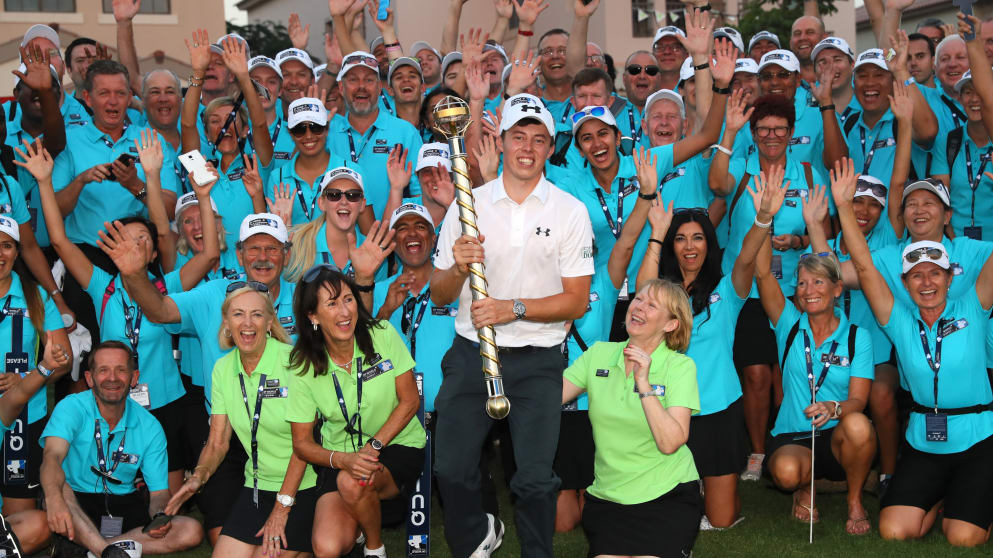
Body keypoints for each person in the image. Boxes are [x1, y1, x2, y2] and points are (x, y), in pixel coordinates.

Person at [431, 93, 594, 558]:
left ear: (550, 148)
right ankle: (474, 537)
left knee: (535, 478)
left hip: (538, 358)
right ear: (499, 141)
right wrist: (460, 267)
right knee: (451, 467)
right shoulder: (469, 205)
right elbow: (440, 295)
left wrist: (512, 308)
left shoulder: (569, 211)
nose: (527, 147)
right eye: (518, 136)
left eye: (538, 139)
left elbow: (577, 301)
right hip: (470, 354)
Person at [27, 129, 220, 495]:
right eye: (124, 240)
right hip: (113, 396)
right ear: (112, 248)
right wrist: (44, 182)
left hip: (166, 402)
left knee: (163, 498)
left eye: (142, 242)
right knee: (112, 485)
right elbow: (58, 240)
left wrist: (202, 197)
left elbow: (209, 254)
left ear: (152, 254)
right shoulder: (103, 285)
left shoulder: (170, 285)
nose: (134, 247)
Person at [103, 213, 297, 543]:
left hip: (286, 433)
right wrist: (134, 275)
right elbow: (160, 311)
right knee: (223, 534)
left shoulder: (305, 296)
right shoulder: (212, 295)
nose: (262, 257)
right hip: (224, 433)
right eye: (253, 248)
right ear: (238, 254)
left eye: (272, 248)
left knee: (288, 531)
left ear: (287, 254)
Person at [834, 158, 993, 547]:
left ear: (950, 276)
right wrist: (842, 207)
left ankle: (968, 500)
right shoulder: (899, 320)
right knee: (893, 530)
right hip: (925, 441)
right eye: (916, 275)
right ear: (904, 283)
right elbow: (866, 271)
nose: (926, 282)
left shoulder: (972, 306)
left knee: (964, 538)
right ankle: (941, 498)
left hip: (977, 439)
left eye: (935, 273)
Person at [628, 155, 768, 531]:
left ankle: (715, 491)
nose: (690, 247)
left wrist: (763, 218)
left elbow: (747, 258)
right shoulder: (663, 292)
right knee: (668, 509)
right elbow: (642, 290)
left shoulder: (728, 289)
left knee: (721, 520)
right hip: (670, 407)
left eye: (698, 238)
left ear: (709, 242)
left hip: (719, 409)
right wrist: (657, 232)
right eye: (681, 239)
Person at [709, 93, 828, 480]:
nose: (771, 136)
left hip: (797, 291)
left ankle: (792, 444)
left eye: (779, 129)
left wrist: (798, 242)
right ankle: (758, 452)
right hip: (747, 292)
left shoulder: (809, 174)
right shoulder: (743, 169)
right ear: (754, 134)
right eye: (763, 130)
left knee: (788, 375)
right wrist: (730, 128)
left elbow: (824, 233)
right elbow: (716, 183)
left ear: (792, 133)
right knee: (757, 375)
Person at [754, 163, 876, 535]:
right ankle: (804, 489)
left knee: (858, 424)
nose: (809, 290)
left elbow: (858, 400)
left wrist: (834, 408)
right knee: (787, 473)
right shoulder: (789, 323)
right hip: (794, 434)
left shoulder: (858, 336)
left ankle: (854, 499)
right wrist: (763, 218)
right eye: (803, 283)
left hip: (837, 432)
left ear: (837, 290)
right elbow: (761, 274)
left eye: (818, 282)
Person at [164, 286, 317, 558]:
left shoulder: (294, 362)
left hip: (301, 486)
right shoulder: (222, 369)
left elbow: (303, 444)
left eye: (256, 315)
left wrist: (282, 509)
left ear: (269, 322)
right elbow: (218, 441)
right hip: (257, 486)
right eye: (238, 314)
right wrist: (198, 477)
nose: (247, 323)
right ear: (226, 322)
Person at [286, 265, 426, 558]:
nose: (345, 312)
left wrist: (372, 448)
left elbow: (410, 401)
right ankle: (361, 521)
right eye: (332, 303)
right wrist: (344, 459)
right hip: (340, 458)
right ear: (313, 315)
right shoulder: (303, 365)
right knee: (326, 548)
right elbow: (302, 444)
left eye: (348, 299)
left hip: (396, 443)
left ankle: (375, 549)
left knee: (353, 481)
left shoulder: (383, 334)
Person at [561, 278, 701, 557]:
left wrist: (644, 384)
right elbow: (545, 400)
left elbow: (670, 442)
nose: (639, 307)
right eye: (639, 299)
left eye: (652, 305)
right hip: (608, 499)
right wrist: (549, 346)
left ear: (671, 324)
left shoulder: (680, 366)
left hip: (667, 496)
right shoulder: (599, 354)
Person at [51, 59, 181, 340]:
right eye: (104, 93)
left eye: (121, 93)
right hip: (85, 259)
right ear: (87, 98)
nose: (113, 101)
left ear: (129, 98)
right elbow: (57, 208)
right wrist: (81, 180)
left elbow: (171, 209)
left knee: (143, 341)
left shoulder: (151, 139)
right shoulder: (69, 142)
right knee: (87, 348)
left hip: (140, 257)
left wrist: (135, 185)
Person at [40, 341, 204, 558]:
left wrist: (159, 514)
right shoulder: (71, 407)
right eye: (103, 370)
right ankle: (105, 551)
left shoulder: (150, 425)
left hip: (123, 503)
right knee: (60, 488)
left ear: (134, 378)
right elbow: (51, 457)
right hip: (76, 501)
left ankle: (91, 548)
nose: (112, 378)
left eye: (121, 370)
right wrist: (52, 498)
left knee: (190, 530)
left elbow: (159, 493)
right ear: (89, 379)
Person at [0, 214, 71, 553]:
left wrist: (27, 377)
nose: (0, 253)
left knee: (20, 521)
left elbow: (63, 357)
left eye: (7, 245)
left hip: (23, 418)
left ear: (17, 252)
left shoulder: (34, 295)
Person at [181, 30, 273, 249]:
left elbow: (260, 124)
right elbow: (187, 124)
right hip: (214, 267)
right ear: (207, 134)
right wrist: (198, 73)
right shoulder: (202, 169)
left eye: (231, 119)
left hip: (252, 263)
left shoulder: (257, 165)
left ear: (244, 130)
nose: (224, 126)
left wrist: (243, 76)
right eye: (215, 121)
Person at [327, 51, 423, 220]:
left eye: (369, 80)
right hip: (336, 243)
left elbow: (418, 195)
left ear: (380, 88)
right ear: (341, 88)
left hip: (390, 241)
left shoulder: (405, 132)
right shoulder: (327, 132)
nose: (361, 86)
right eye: (353, 79)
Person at [282, 166, 393, 299]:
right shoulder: (297, 244)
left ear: (363, 204)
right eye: (334, 195)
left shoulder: (373, 251)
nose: (344, 201)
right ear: (321, 203)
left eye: (353, 195)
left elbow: (374, 310)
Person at [265, 97, 365, 228]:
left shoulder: (352, 170)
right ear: (291, 134)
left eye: (316, 127)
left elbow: (366, 232)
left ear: (327, 129)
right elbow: (274, 237)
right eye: (300, 129)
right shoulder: (277, 177)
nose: (308, 136)